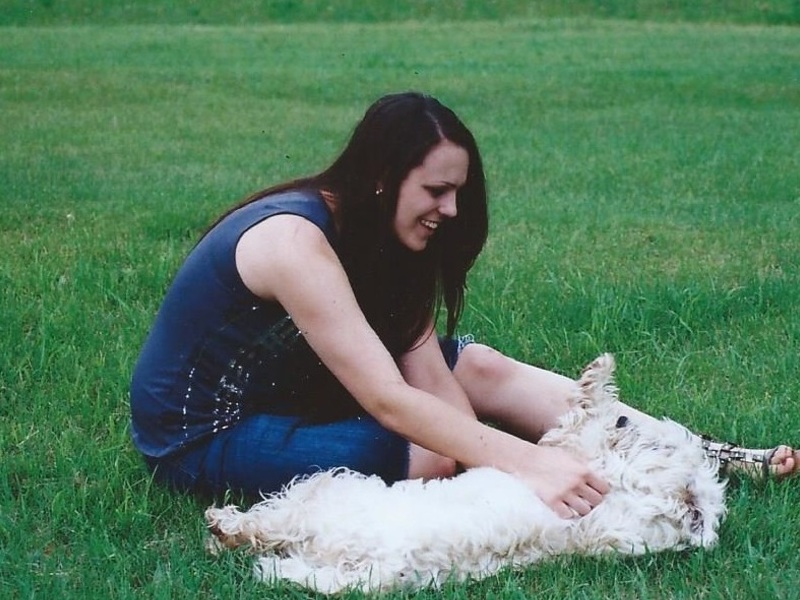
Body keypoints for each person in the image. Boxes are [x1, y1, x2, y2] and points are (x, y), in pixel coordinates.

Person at [130, 92, 797, 519]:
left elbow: (428, 373)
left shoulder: (384, 233)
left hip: (297, 385)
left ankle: (696, 455)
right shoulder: (295, 243)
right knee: (430, 458)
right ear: (383, 178)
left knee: (481, 369)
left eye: (459, 193)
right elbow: (391, 399)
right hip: (204, 435)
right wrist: (526, 463)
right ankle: (574, 473)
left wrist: (499, 455)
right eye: (436, 191)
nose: (450, 211)